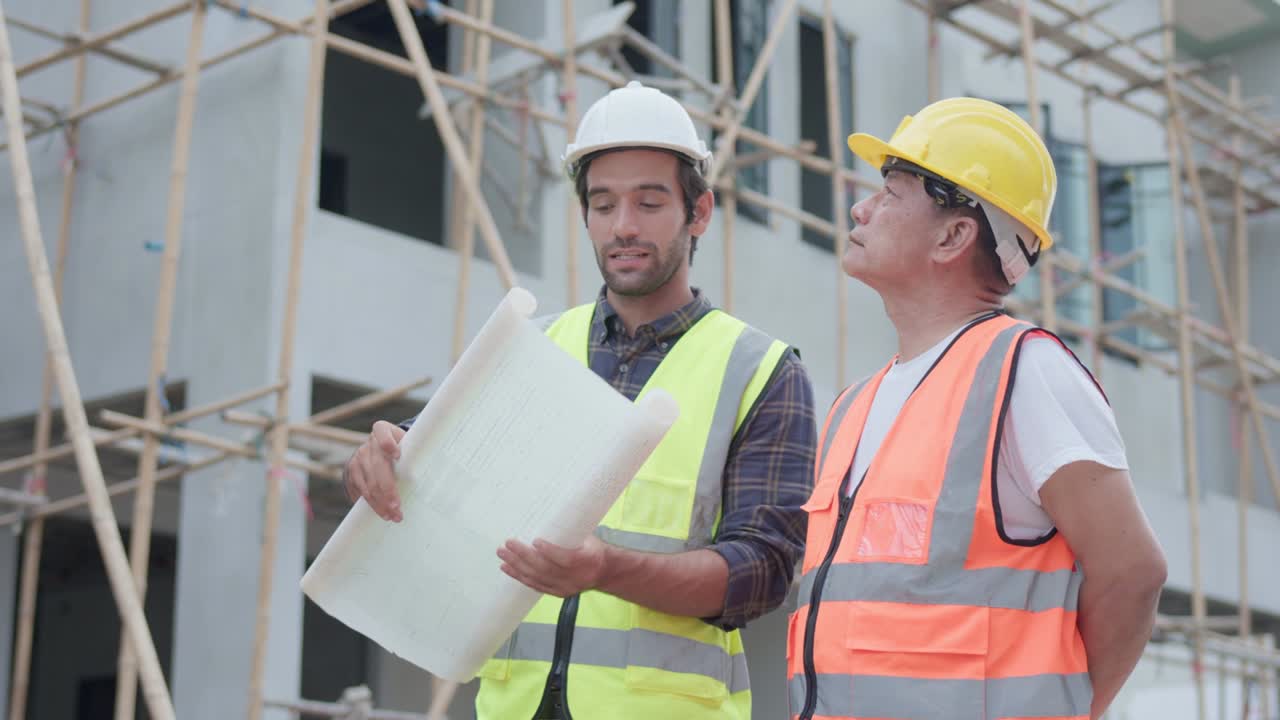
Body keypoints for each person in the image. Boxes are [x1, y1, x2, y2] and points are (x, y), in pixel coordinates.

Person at [344, 81, 817, 720]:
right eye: (603, 204)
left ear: (698, 213)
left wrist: (604, 570)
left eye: (650, 203)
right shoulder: (528, 348)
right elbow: (441, 468)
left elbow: (762, 572)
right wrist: (382, 459)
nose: (623, 226)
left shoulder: (759, 370)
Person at [786, 97, 1168, 720]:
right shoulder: (855, 403)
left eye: (890, 192)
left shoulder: (1024, 372)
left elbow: (1133, 573)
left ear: (955, 235)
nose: (862, 208)